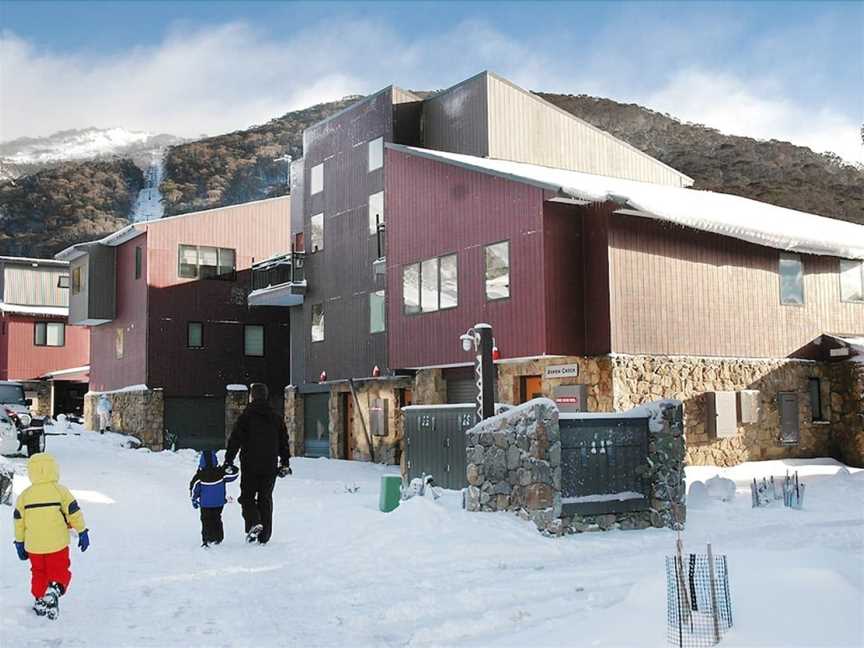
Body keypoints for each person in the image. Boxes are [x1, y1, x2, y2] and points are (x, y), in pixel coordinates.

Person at [13, 453, 89, 620]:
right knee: (59, 569)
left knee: (38, 572)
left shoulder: (25, 496)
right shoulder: (60, 491)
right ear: (54, 469)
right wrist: (82, 531)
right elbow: (73, 512)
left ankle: (40, 599)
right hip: (57, 544)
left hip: (34, 546)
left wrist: (19, 542)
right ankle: (54, 590)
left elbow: (18, 521)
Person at [224, 383, 291, 545]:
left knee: (247, 498)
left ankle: (254, 522)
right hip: (269, 465)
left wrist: (229, 460)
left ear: (252, 396)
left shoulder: (246, 416)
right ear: (266, 396)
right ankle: (264, 535)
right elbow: (284, 442)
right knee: (265, 498)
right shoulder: (275, 417)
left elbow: (235, 439)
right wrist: (285, 462)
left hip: (250, 464)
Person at [189, 450, 239, 548]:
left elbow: (194, 488)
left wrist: (194, 499)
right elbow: (234, 475)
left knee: (206, 520)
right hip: (218, 503)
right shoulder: (221, 473)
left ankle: (207, 539)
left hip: (205, 504)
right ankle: (218, 537)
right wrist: (230, 467)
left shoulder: (199, 476)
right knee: (217, 518)